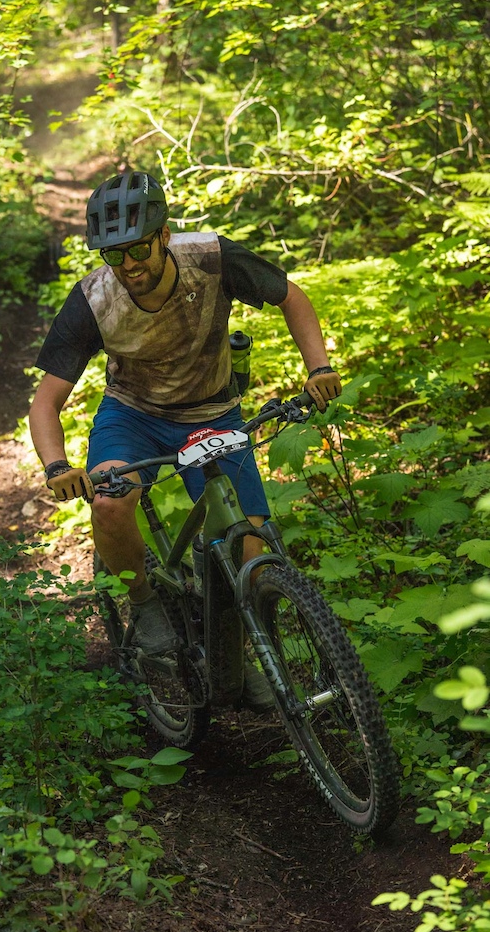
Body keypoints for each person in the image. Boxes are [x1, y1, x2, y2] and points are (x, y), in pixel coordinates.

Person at [29, 170, 342, 710]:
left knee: (252, 546)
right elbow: (44, 402)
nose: (129, 266)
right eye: (114, 254)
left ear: (164, 234)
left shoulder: (213, 258)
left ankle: (247, 653)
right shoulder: (93, 299)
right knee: (110, 506)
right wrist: (58, 467)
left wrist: (318, 368)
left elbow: (293, 296)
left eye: (138, 249)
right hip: (133, 415)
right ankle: (145, 601)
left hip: (213, 412)